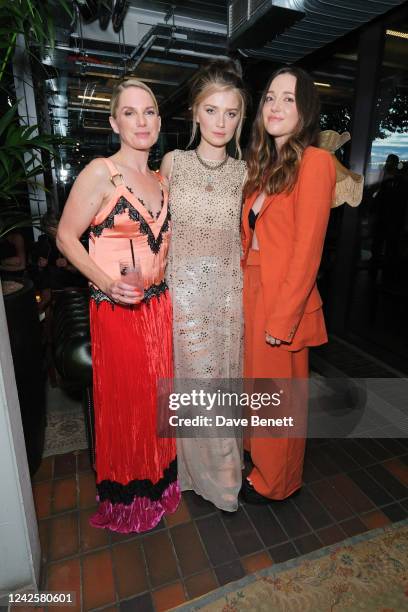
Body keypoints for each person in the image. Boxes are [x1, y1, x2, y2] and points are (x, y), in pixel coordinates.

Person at [57, 78, 180, 532]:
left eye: (148, 111)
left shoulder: (162, 179)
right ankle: (130, 500)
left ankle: (160, 485)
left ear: (159, 120)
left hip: (159, 308)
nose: (141, 121)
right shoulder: (99, 172)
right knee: (127, 407)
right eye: (129, 113)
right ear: (114, 123)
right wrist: (107, 283)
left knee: (157, 403)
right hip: (119, 313)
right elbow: (65, 238)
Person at [241, 66, 336, 504]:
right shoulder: (263, 166)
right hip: (251, 291)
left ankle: (277, 482)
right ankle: (257, 462)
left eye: (289, 99)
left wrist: (283, 317)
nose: (276, 106)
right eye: (270, 98)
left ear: (306, 111)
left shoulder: (316, 163)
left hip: (283, 300)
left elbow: (307, 251)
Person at [160, 60, 247, 512]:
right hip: (184, 295)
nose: (220, 121)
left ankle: (212, 476)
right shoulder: (173, 163)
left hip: (228, 297)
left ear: (240, 119)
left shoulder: (245, 173)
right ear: (195, 113)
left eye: (231, 113)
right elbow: (157, 232)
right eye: (211, 111)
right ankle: (216, 479)